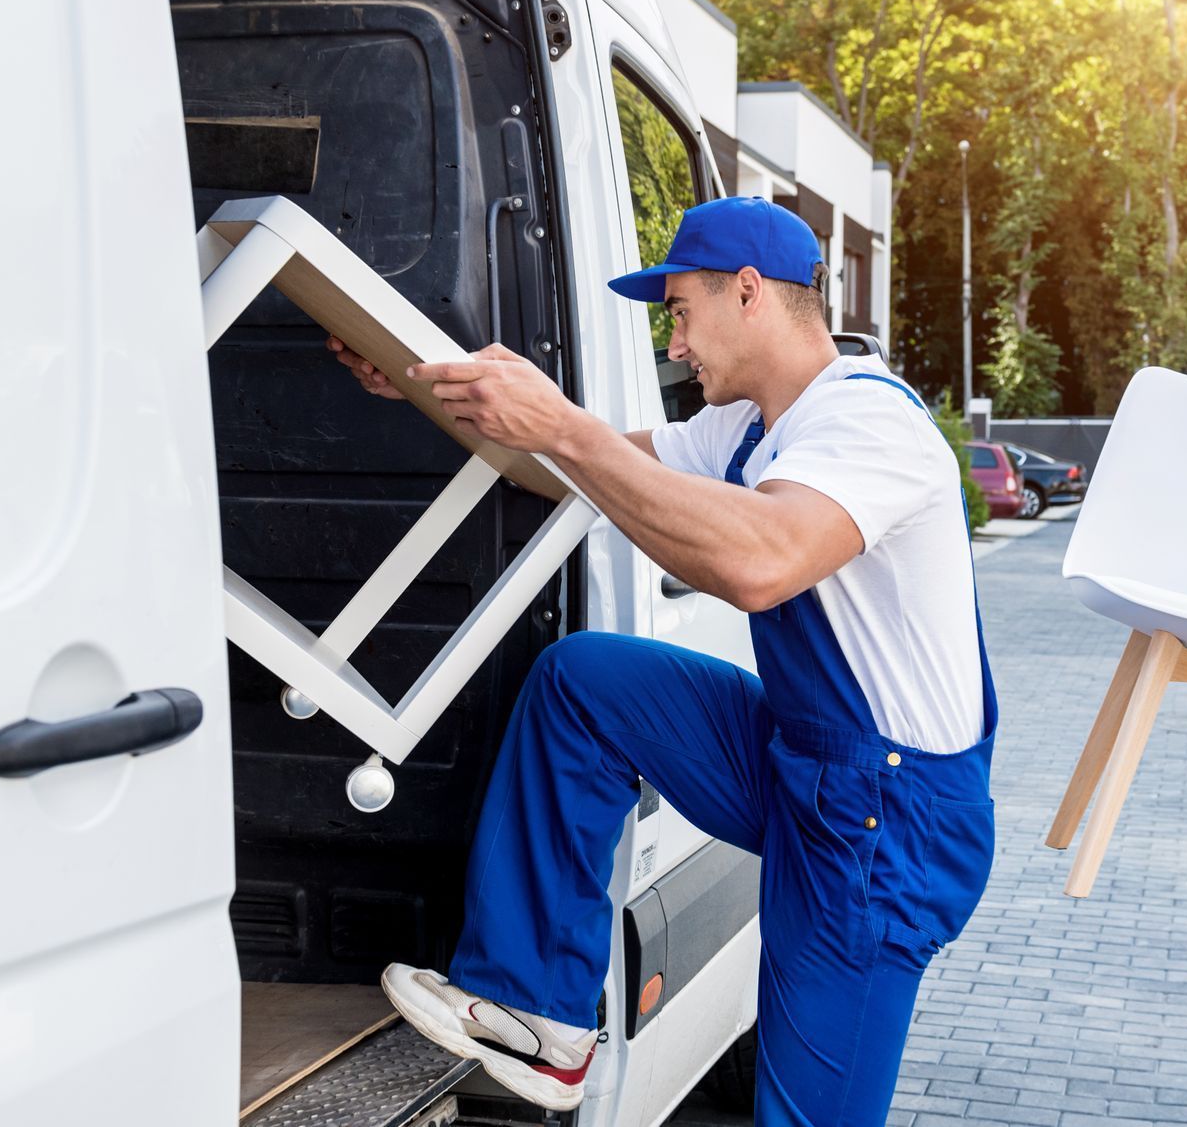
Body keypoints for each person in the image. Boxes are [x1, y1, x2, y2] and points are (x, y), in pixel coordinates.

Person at [327, 197, 998, 1124]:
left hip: (891, 819)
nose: (675, 344)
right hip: (799, 756)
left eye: (680, 312)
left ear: (752, 294)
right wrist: (419, 381)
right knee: (585, 682)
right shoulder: (749, 425)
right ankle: (540, 1019)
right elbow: (572, 465)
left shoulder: (868, 423)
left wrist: (566, 426)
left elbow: (760, 562)